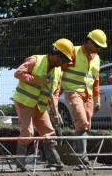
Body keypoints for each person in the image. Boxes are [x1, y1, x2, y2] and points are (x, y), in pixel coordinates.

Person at [13, 38, 74, 169]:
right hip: (25, 103)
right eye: (63, 59)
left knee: (49, 133)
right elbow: (18, 73)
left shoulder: (58, 71)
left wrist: (55, 111)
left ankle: (54, 161)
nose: (63, 63)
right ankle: (19, 163)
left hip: (40, 106)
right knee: (27, 133)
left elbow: (55, 93)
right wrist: (37, 80)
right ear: (56, 54)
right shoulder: (35, 60)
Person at [58, 29, 106, 154]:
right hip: (72, 91)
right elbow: (59, 71)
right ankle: (83, 156)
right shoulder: (74, 52)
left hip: (88, 95)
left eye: (100, 47)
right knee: (82, 121)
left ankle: (75, 153)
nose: (98, 49)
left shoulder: (96, 58)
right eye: (96, 45)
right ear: (89, 41)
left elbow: (95, 81)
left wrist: (97, 100)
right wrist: (57, 91)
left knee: (85, 125)